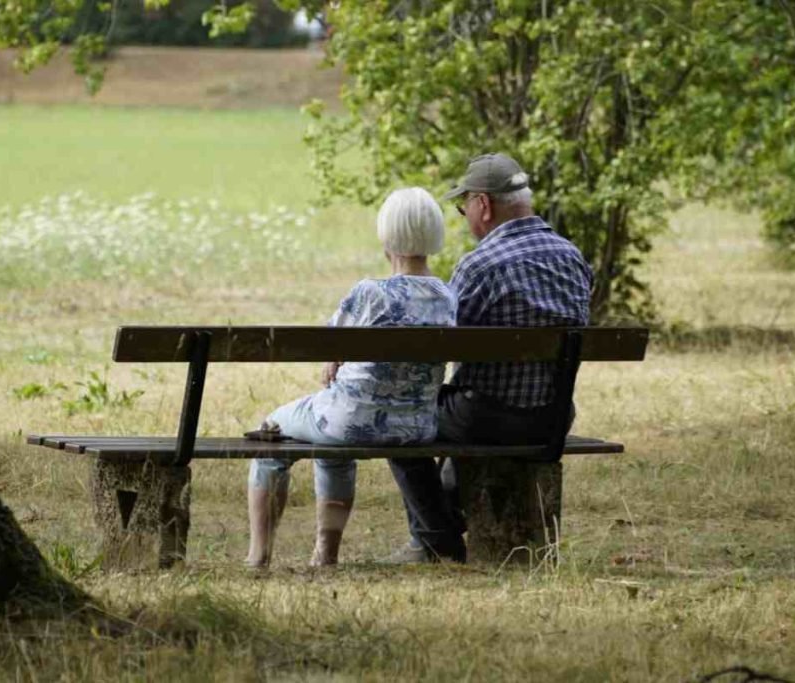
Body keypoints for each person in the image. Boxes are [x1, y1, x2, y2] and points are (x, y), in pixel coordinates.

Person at [387, 153, 594, 563]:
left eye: (465, 208)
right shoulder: (573, 258)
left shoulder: (479, 265)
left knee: (398, 418)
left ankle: (435, 539)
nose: (466, 217)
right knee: (456, 407)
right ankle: (442, 527)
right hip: (552, 417)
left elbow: (439, 344)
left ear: (483, 204)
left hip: (487, 417)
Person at [246, 187, 458, 568]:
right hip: (416, 428)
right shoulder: (447, 296)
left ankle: (258, 556)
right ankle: (324, 554)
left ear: (386, 235)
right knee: (330, 438)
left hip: (350, 421)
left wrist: (336, 362)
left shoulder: (369, 293)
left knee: (271, 431)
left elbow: (330, 353)